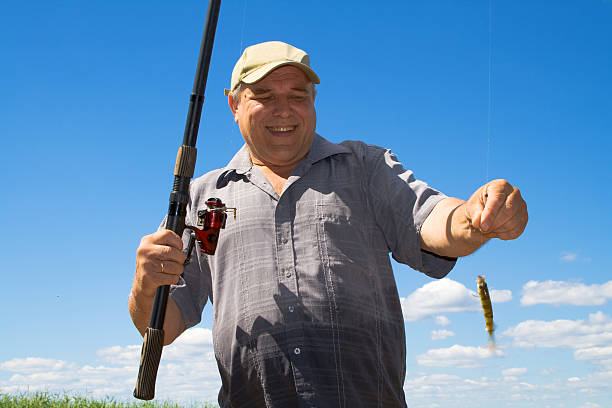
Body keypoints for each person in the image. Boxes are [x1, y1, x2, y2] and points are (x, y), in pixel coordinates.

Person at [129, 41, 528, 407]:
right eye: (263, 97)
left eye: (296, 96)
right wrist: (146, 284)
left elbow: (434, 219)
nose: (282, 110)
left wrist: (476, 219)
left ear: (314, 99)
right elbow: (158, 325)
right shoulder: (200, 199)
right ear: (233, 105)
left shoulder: (366, 167)